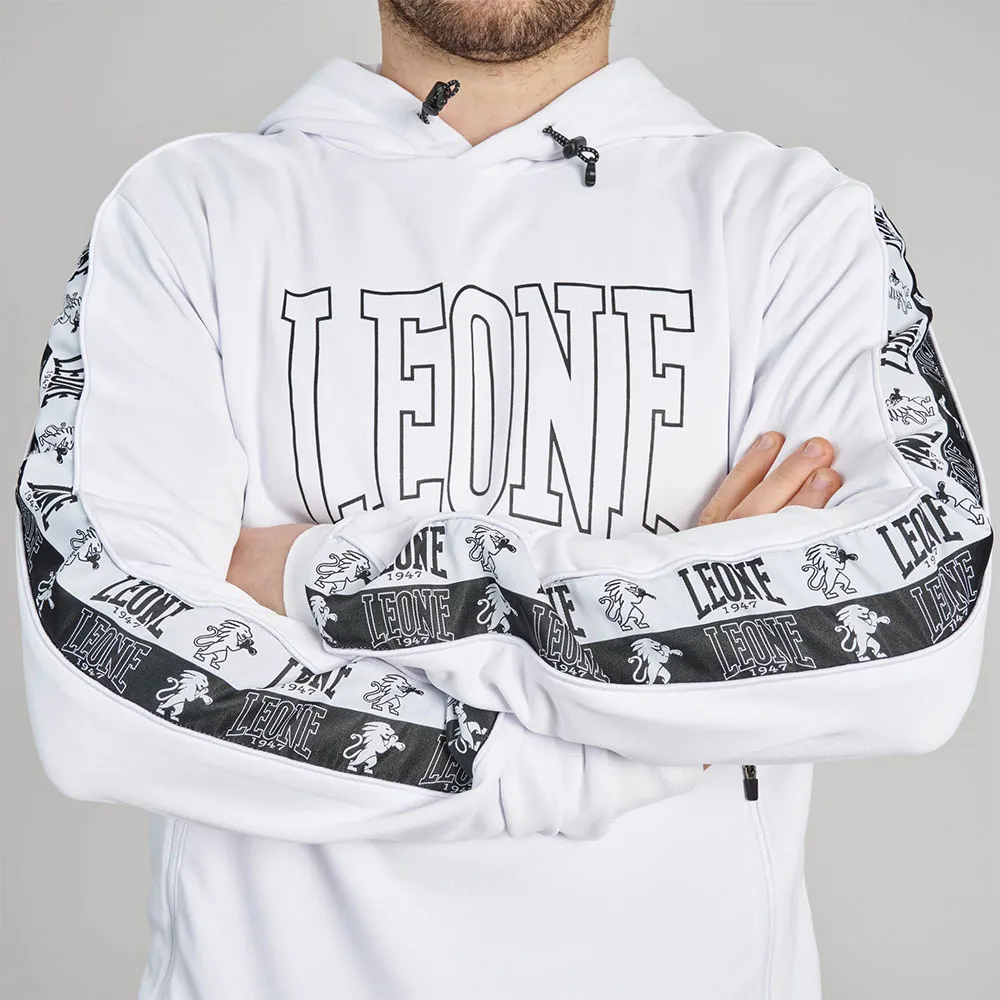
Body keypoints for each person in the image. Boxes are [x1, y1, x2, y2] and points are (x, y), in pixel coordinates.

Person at [13, 1, 992, 998]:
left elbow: (913, 632)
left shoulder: (794, 224)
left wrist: (323, 577)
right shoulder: (183, 215)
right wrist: (629, 733)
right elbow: (102, 677)